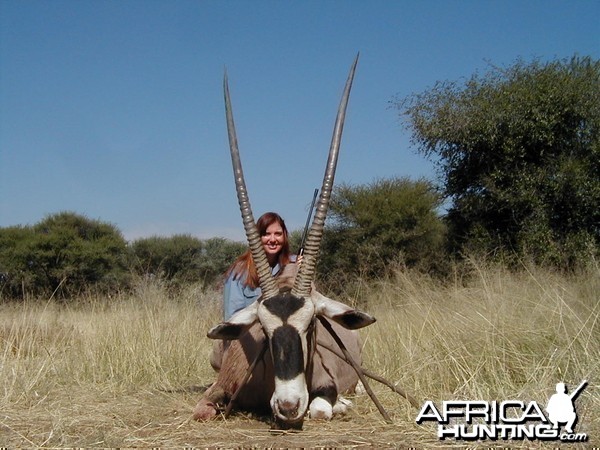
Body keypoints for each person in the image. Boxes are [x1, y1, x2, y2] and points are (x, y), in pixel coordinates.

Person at [222, 211, 299, 320]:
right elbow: (232, 317)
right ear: (257, 237)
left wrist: (300, 270)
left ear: (284, 236)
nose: (272, 240)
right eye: (266, 234)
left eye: (278, 234)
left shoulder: (294, 263)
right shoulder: (238, 272)